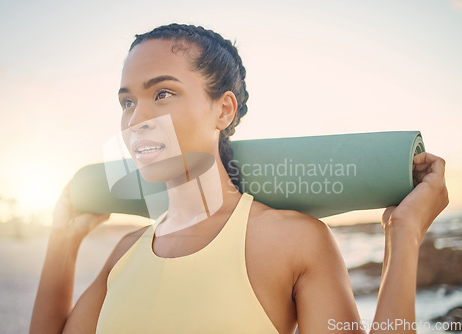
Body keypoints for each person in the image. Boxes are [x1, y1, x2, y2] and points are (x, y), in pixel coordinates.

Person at [30, 23, 449, 334]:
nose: (136, 120)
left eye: (162, 94)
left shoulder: (294, 241)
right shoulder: (126, 252)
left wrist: (404, 235)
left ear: (224, 110)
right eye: (127, 101)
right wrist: (63, 241)